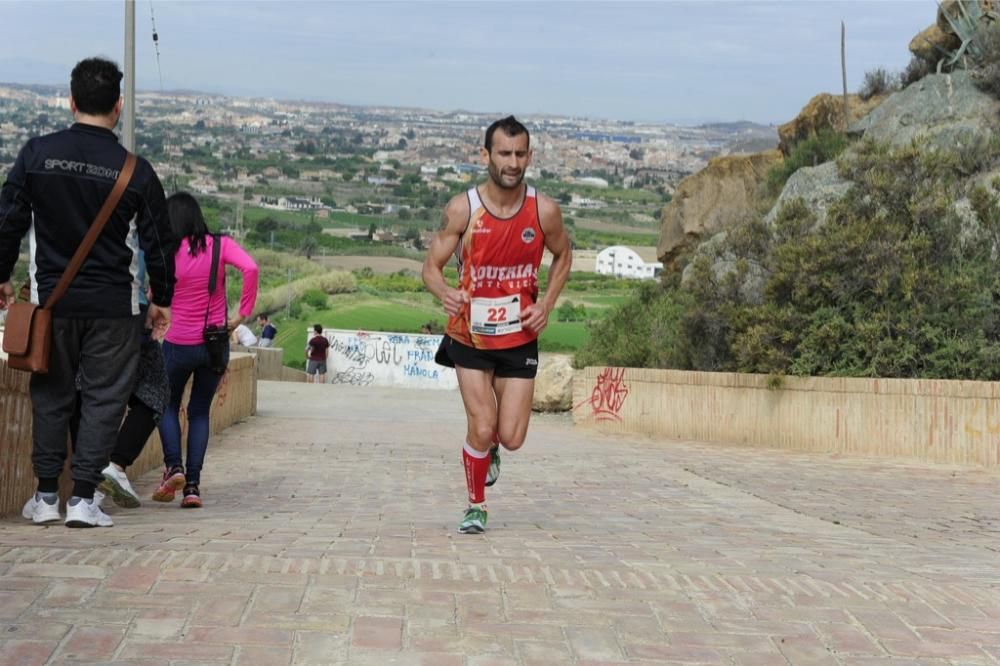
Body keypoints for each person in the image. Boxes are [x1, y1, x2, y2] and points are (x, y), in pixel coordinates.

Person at [0, 57, 175, 528]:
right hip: (115, 307)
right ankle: (81, 500)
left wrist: (0, 273)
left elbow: (9, 220)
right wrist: (161, 299)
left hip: (50, 302)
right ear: (118, 107)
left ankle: (43, 498)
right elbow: (160, 242)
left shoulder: (36, 154)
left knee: (51, 396)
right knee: (103, 400)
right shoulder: (135, 170)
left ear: (72, 101)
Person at [422, 115, 571, 534]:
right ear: (486, 155)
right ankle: (476, 505)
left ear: (530, 156)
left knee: (511, 435)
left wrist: (547, 303)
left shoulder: (543, 211)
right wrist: (444, 293)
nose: (513, 162)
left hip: (519, 334)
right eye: (504, 153)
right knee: (483, 425)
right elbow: (430, 268)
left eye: (520, 153)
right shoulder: (462, 209)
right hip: (468, 331)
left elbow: (564, 255)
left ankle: (491, 451)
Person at [154, 192, 258, 509]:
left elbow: (154, 295)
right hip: (214, 345)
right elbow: (251, 268)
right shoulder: (221, 245)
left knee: (165, 405)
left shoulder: (165, 252)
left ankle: (174, 467)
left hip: (176, 344)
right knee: (199, 412)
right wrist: (242, 313)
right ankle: (193, 487)